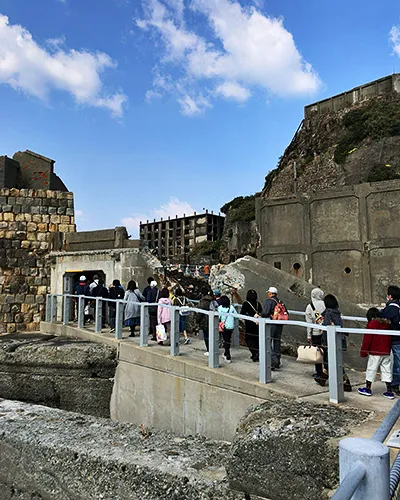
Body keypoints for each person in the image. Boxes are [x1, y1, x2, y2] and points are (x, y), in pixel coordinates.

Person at [315, 294, 352, 392]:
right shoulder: (337, 313)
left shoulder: (328, 313)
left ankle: (345, 381)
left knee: (330, 360)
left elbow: (326, 328)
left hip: (330, 340)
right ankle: (322, 379)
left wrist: (323, 341)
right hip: (339, 339)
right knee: (333, 360)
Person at [358, 308, 394, 399]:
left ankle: (368, 388)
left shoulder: (372, 324)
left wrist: (364, 351)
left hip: (375, 351)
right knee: (386, 370)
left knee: (371, 369)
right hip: (386, 351)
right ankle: (389, 391)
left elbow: (367, 340)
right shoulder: (386, 324)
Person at [262, 286, 287, 370]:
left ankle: (273, 361)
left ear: (271, 293)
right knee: (277, 341)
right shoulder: (280, 301)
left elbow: (265, 313)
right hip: (280, 323)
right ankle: (277, 361)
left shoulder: (269, 301)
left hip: (272, 323)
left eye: (268, 292)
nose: (268, 294)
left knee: (268, 341)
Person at [381, 285, 400, 395]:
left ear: (390, 296)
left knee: (394, 362)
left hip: (393, 339)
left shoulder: (391, 308)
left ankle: (395, 383)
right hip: (397, 339)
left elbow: (381, 316)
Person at [305, 288, 325, 378]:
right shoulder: (325, 304)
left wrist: (309, 335)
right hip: (325, 332)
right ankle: (327, 370)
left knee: (317, 353)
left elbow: (309, 323)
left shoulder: (310, 306)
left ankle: (319, 372)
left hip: (315, 333)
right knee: (326, 352)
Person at [241, 290, 262, 362]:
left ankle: (255, 353)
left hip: (249, 324)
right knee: (257, 339)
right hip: (258, 324)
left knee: (248, 339)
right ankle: (257, 353)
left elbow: (242, 313)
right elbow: (261, 312)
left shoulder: (246, 304)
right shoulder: (258, 304)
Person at [218, 295, 236, 363]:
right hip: (231, 326)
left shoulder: (220, 308)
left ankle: (228, 356)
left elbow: (219, 317)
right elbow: (236, 315)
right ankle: (226, 353)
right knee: (228, 340)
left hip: (224, 326)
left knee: (226, 341)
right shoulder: (231, 307)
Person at [197, 288, 213, 355]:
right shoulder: (212, 300)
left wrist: (197, 320)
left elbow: (199, 313)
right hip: (213, 320)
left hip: (205, 321)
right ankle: (213, 349)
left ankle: (209, 350)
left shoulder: (203, 302)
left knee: (206, 336)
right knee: (212, 335)